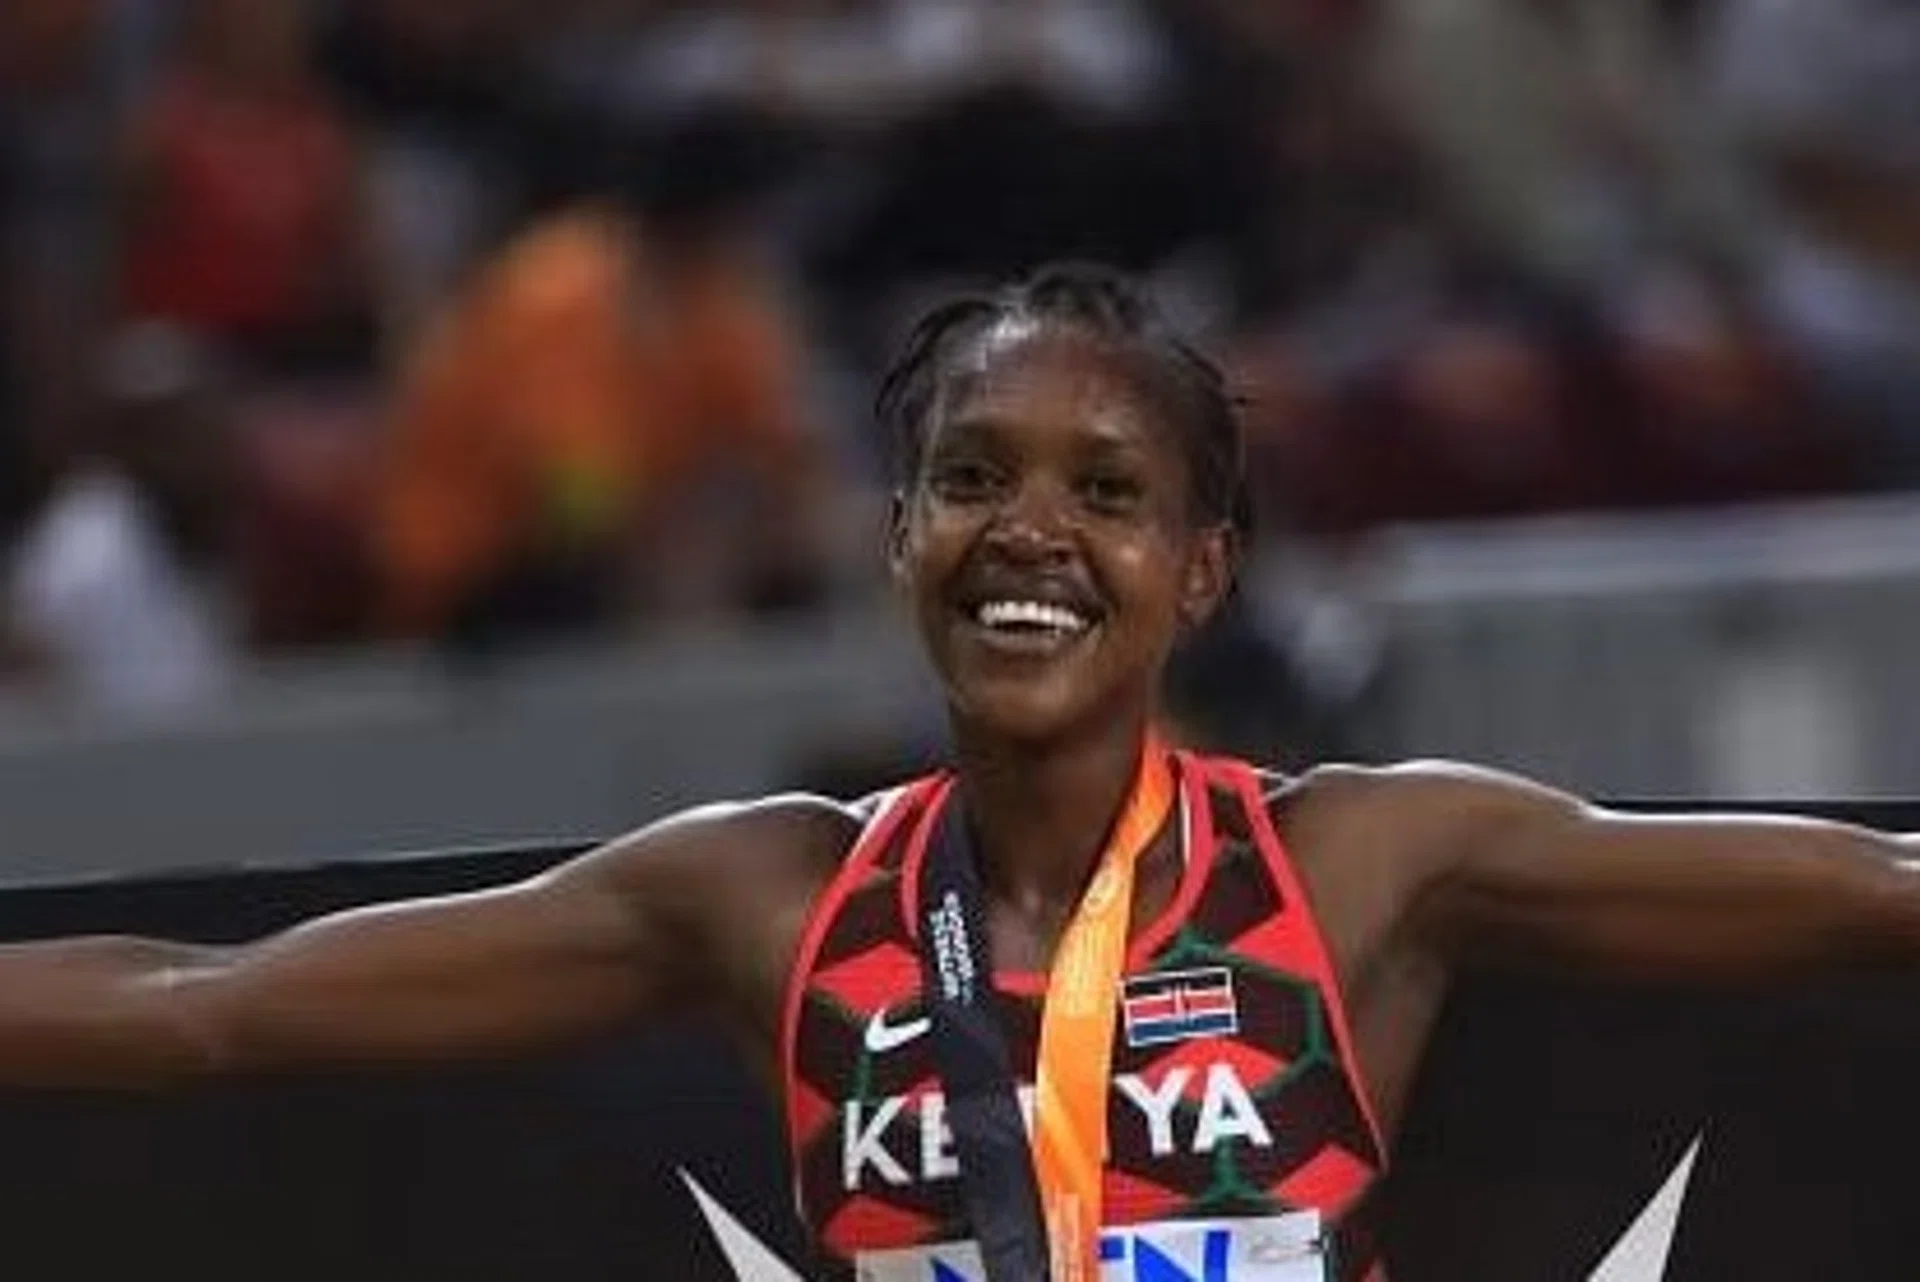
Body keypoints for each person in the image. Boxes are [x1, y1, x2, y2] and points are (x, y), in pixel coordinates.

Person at [1, 264, 1917, 1282]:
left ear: (1203, 566)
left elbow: (1872, 894)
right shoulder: (767, 898)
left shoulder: (1362, 866)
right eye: (972, 478)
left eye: (1108, 493)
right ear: (898, 532)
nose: (1030, 535)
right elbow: (214, 1011)